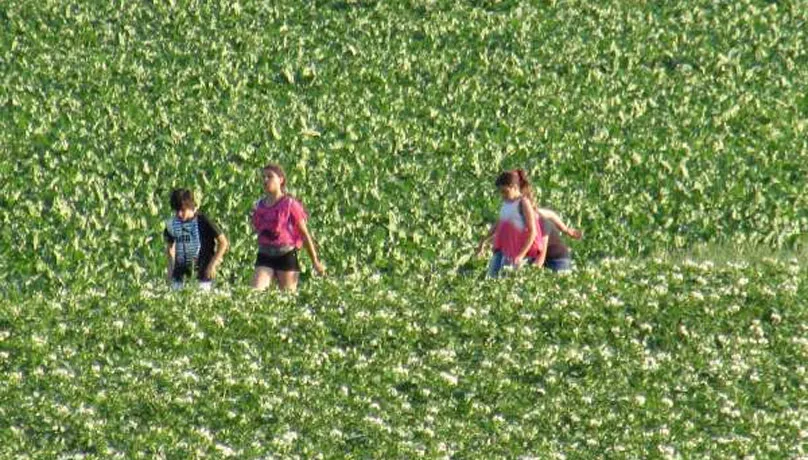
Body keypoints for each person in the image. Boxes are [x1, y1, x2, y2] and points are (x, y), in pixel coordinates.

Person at [251, 163, 325, 291]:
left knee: (287, 299)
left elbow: (304, 233)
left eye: (270, 177)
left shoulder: (289, 204)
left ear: (280, 180)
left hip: (285, 254)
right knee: (255, 292)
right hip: (265, 254)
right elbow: (256, 228)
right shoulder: (259, 205)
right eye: (264, 177)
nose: (265, 180)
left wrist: (315, 261)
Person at [476, 169, 543, 278]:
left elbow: (533, 232)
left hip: (518, 252)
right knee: (491, 280)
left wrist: (520, 255)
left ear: (514, 187)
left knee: (505, 283)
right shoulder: (506, 203)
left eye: (505, 192)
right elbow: (498, 224)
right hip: (504, 250)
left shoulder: (524, 203)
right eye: (501, 192)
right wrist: (483, 241)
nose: (503, 195)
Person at [164, 189, 229, 290]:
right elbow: (170, 248)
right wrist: (170, 270)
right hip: (179, 278)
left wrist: (213, 264)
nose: (179, 214)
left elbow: (223, 242)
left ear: (191, 207)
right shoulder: (173, 224)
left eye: (182, 210)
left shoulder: (203, 221)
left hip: (202, 278)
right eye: (177, 211)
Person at [536, 208, 582, 272]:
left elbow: (541, 254)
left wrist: (565, 229)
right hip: (546, 260)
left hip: (559, 261)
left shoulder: (541, 222)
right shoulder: (520, 217)